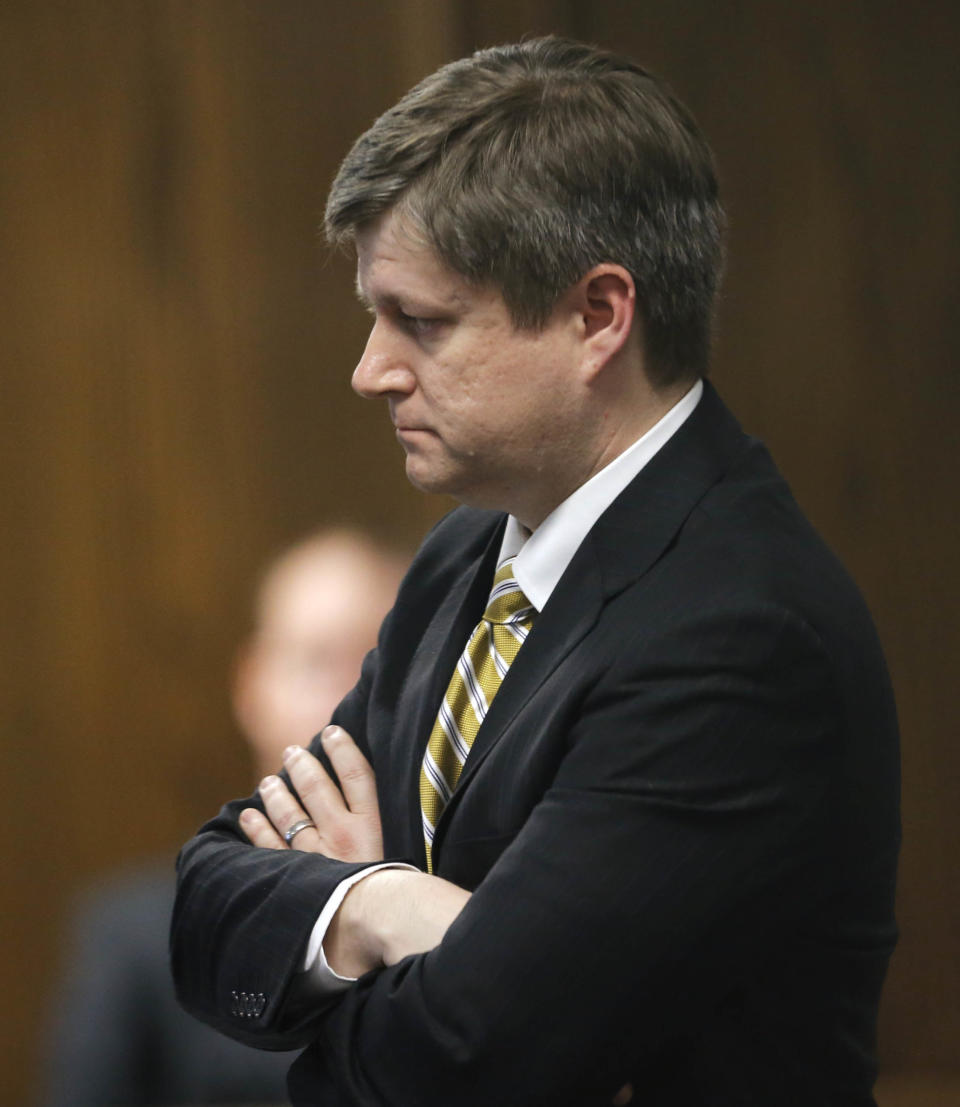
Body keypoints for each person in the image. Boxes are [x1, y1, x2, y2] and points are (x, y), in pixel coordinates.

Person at [171, 36, 900, 1107]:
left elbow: (469, 1060)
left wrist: (363, 944)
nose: (371, 370)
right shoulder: (470, 546)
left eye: (422, 321)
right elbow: (206, 897)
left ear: (597, 316)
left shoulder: (738, 634)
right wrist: (383, 902)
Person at [42, 529, 405, 1107]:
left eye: (374, 665)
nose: (346, 697)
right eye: (315, 661)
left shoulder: (489, 903)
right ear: (252, 684)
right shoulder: (137, 935)